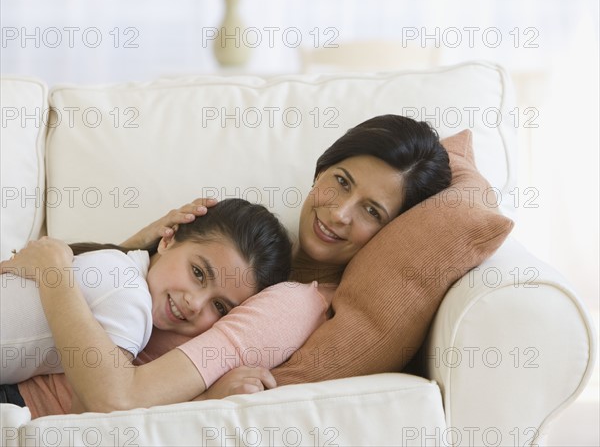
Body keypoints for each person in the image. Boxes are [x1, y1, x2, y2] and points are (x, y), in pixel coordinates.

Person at [0, 114, 452, 415]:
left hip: (30, 403)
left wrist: (56, 273)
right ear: (320, 172)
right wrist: (138, 247)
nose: (339, 213)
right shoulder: (256, 250)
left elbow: (120, 398)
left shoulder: (291, 304)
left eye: (372, 211)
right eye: (341, 181)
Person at [0, 199, 293, 383]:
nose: (194, 303)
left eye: (219, 307)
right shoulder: (131, 299)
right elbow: (105, 403)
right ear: (167, 240)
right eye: (198, 273)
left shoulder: (116, 267)